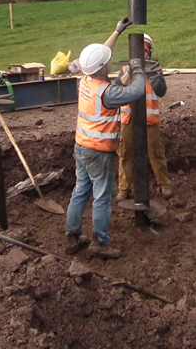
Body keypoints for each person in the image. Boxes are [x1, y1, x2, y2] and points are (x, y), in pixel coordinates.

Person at [65, 17, 147, 260]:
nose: (109, 61)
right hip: (100, 152)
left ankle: (72, 236)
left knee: (81, 190)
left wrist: (117, 32)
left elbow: (98, 57)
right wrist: (139, 69)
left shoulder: (86, 80)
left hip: (81, 147)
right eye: (107, 63)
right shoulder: (107, 93)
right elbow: (136, 90)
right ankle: (100, 243)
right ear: (102, 68)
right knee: (101, 196)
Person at [114, 33, 171, 201]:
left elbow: (161, 91)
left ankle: (165, 184)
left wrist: (154, 78)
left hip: (149, 120)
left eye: (145, 50)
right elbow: (117, 88)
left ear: (149, 52)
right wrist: (130, 72)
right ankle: (124, 188)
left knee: (155, 152)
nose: (142, 54)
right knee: (125, 153)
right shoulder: (125, 70)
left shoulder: (155, 69)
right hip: (128, 119)